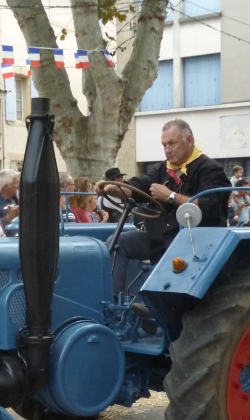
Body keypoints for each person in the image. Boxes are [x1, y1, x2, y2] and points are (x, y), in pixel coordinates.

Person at [97, 119, 230, 298]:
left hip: (194, 244)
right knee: (116, 242)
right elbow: (137, 186)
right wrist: (111, 188)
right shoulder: (160, 170)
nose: (167, 149)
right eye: (164, 144)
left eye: (172, 143)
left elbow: (208, 205)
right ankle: (115, 302)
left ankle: (161, 306)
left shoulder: (211, 170)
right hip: (159, 240)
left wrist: (170, 196)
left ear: (189, 140)